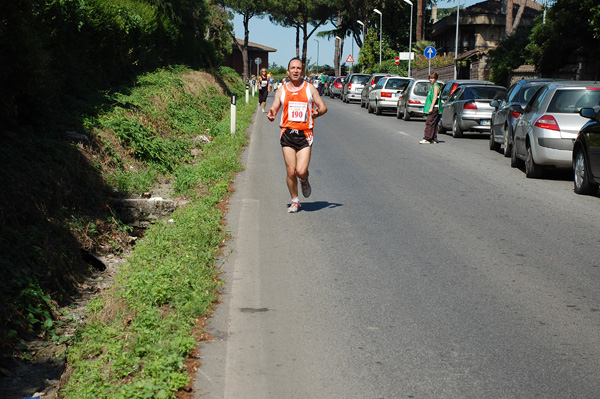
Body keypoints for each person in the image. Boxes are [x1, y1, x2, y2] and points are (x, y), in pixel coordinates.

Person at [267, 58, 327, 213]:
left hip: (305, 134)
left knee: (301, 171)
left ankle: (304, 180)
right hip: (287, 133)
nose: (295, 70)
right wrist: (272, 113)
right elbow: (274, 106)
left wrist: (317, 112)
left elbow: (323, 107)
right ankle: (295, 200)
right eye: (292, 68)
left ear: (302, 71)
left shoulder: (309, 88)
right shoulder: (282, 90)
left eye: (298, 68)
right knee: (291, 170)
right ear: (288, 71)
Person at [420, 72, 442, 144]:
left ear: (435, 78)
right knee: (434, 123)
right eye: (430, 78)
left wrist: (431, 107)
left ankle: (427, 138)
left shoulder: (436, 86)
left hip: (434, 107)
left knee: (429, 122)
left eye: (432, 78)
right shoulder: (434, 86)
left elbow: (435, 97)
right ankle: (433, 138)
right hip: (435, 107)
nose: (431, 80)